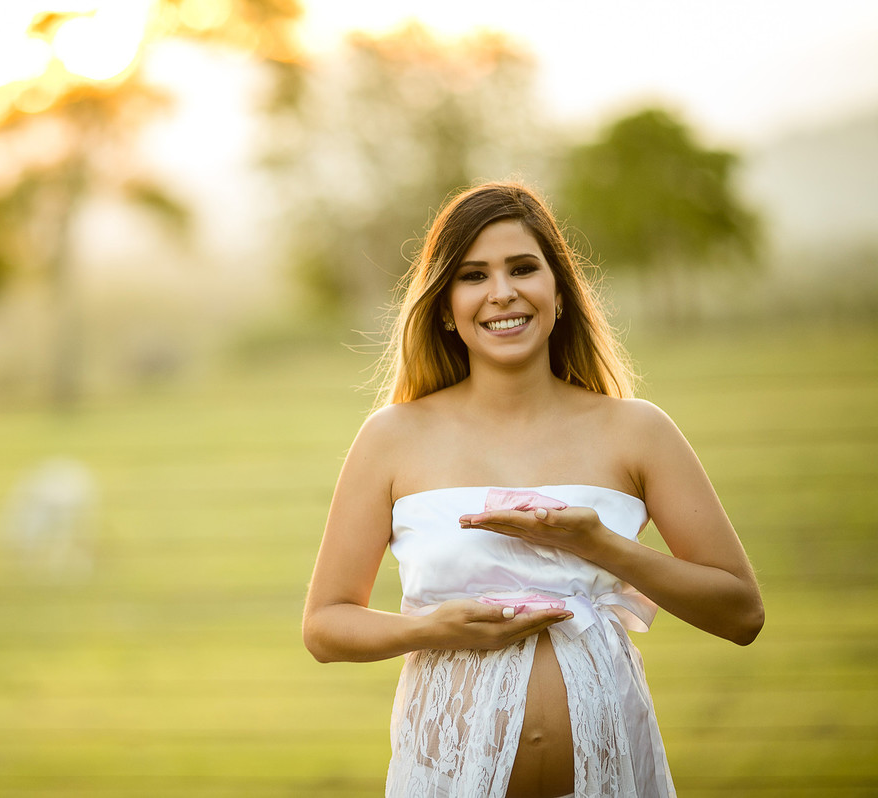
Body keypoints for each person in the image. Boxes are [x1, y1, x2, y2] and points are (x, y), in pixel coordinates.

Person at [301, 181, 764, 798]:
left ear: (558, 292)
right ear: (445, 306)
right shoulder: (392, 437)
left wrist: (599, 544)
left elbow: (742, 614)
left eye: (523, 268)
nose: (502, 293)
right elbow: (325, 627)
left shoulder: (639, 431)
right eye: (473, 275)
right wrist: (435, 628)